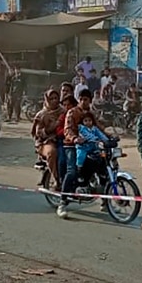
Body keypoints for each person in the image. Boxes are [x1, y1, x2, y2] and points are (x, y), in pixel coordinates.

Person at [57, 89, 96, 219]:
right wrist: (74, 138)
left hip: (87, 145)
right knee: (72, 171)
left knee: (100, 163)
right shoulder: (72, 112)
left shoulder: (91, 114)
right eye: (81, 99)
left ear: (90, 100)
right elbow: (67, 130)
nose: (83, 101)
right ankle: (62, 203)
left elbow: (99, 127)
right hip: (71, 145)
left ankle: (105, 201)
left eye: (86, 99)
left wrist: (109, 135)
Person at [31, 90, 65, 190]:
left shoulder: (63, 111)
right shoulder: (41, 115)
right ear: (47, 100)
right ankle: (56, 179)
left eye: (56, 98)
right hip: (45, 142)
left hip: (62, 139)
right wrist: (52, 127)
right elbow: (38, 133)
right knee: (52, 152)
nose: (54, 101)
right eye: (51, 99)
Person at [76, 112, 109, 179]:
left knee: (102, 156)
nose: (88, 122)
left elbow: (101, 135)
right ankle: (79, 171)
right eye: (85, 121)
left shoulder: (94, 128)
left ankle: (101, 172)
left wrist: (107, 141)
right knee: (81, 156)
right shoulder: (82, 128)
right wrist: (96, 139)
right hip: (83, 147)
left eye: (89, 120)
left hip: (93, 147)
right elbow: (88, 136)